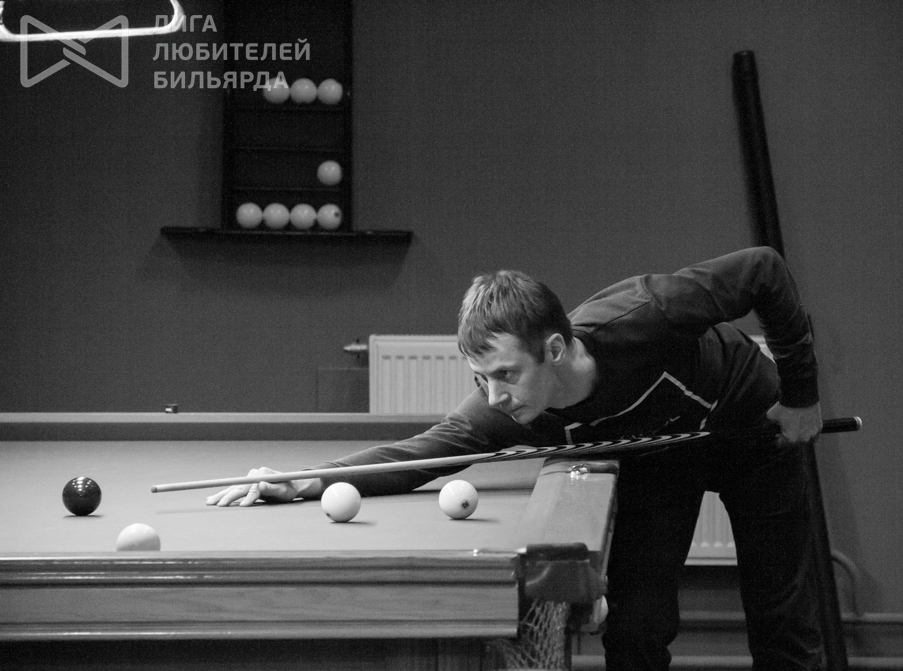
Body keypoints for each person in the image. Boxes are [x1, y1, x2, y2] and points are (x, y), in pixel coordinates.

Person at [208, 246, 824, 670]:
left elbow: (763, 270)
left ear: (554, 349)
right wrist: (306, 482)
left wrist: (801, 395)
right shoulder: (505, 407)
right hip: (658, 456)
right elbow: (424, 454)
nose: (495, 396)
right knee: (636, 630)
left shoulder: (646, 313)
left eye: (505, 373)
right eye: (481, 378)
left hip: (755, 428)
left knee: (782, 621)